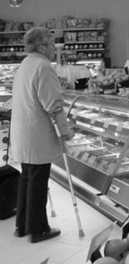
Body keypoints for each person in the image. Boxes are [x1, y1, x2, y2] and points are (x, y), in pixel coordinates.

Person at [10, 27, 73, 243]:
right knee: (38, 182)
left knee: (27, 178)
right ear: (41, 47)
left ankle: (21, 226)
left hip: (23, 133)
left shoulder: (26, 64)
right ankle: (38, 230)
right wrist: (65, 132)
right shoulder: (43, 66)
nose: (54, 49)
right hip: (37, 135)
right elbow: (53, 104)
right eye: (52, 44)